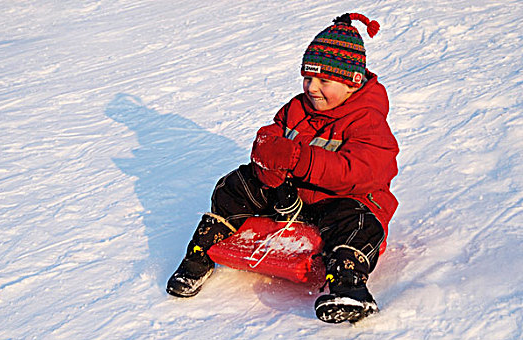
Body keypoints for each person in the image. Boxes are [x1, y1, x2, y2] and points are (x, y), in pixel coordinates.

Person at [166, 12, 399, 324]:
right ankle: (201, 250)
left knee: (359, 222)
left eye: (324, 81)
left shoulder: (366, 120)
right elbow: (270, 140)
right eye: (307, 78)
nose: (312, 88)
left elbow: (359, 172)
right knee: (235, 184)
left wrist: (298, 159)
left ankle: (347, 284)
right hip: (290, 198)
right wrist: (271, 169)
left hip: (341, 201)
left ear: (352, 83)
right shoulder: (297, 108)